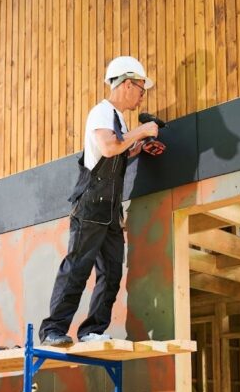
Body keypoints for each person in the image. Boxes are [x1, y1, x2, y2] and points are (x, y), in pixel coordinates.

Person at [39, 56, 159, 347]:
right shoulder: (102, 112)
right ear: (127, 83)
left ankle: (92, 329)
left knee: (112, 272)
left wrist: (138, 148)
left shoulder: (118, 119)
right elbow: (107, 148)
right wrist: (142, 131)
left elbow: (117, 153)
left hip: (109, 209)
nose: (143, 95)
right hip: (92, 204)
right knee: (77, 267)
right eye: (141, 88)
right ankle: (53, 329)